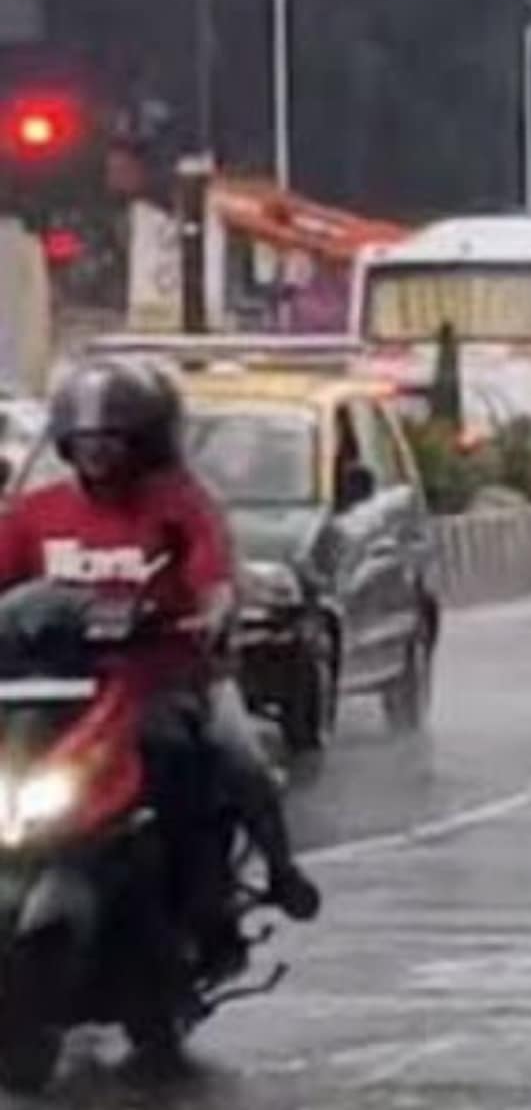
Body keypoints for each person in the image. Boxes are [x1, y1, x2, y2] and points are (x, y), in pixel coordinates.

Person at [0, 359, 321, 928]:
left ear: (144, 443)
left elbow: (213, 575)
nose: (98, 455)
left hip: (169, 681)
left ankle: (277, 869)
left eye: (113, 442)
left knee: (238, 758)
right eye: (86, 442)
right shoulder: (35, 513)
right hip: (58, 690)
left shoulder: (180, 506)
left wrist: (214, 612)